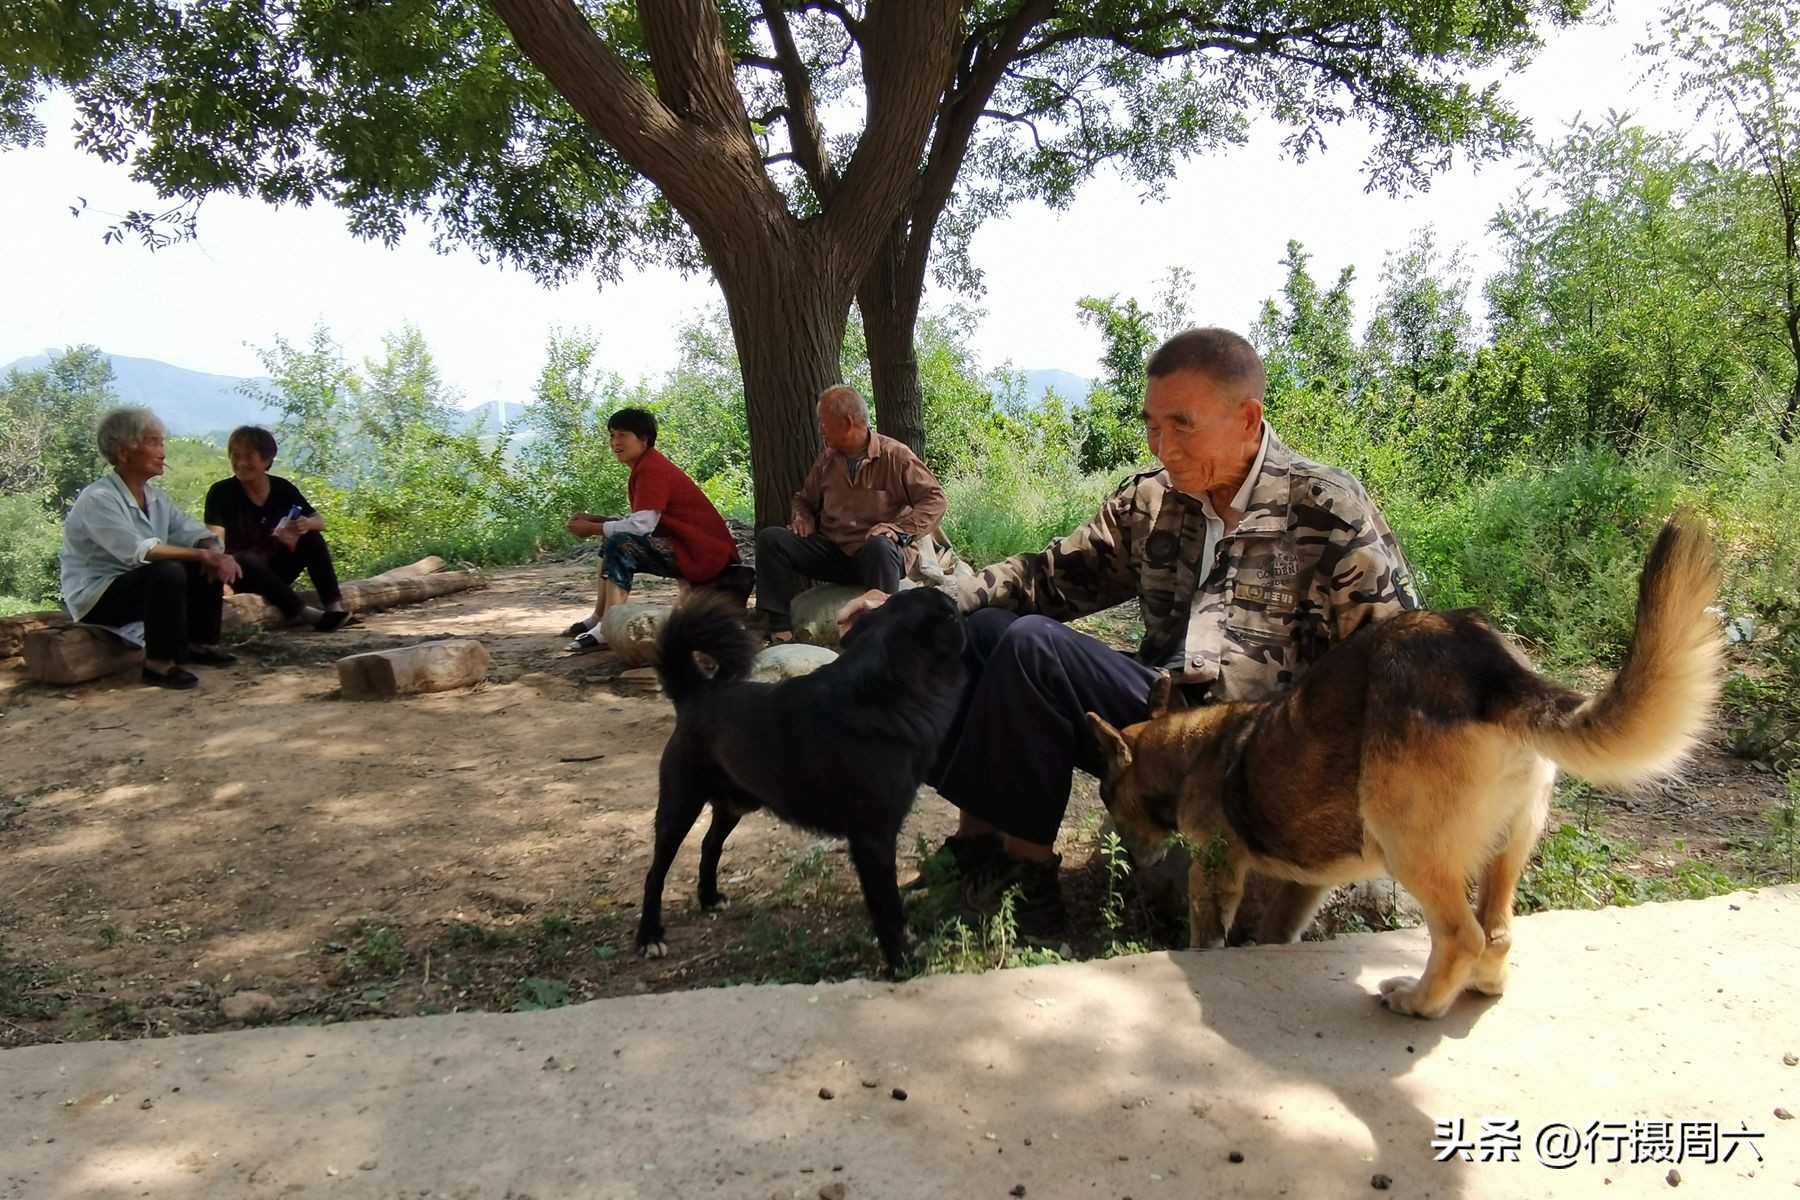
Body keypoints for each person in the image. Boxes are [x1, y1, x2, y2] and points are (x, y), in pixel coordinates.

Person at [837, 328, 1422, 931]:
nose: (1163, 446)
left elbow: (1396, 657)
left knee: (1032, 646)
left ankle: (1029, 882)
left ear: (1248, 419)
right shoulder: (1152, 500)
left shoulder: (1326, 510)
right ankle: (981, 846)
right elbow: (1048, 576)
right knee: (981, 629)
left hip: (1259, 751)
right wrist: (917, 606)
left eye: (1182, 425)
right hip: (1162, 725)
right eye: (1152, 425)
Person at [59, 406, 244, 690]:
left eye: (161, 442)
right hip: (97, 596)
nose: (163, 452)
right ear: (124, 452)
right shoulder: (99, 498)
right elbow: (140, 551)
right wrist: (205, 554)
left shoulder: (156, 498)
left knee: (203, 559)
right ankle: (158, 663)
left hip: (138, 584)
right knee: (168, 569)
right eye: (153, 442)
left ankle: (199, 643)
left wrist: (209, 549)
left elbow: (192, 533)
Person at [754, 384, 947, 642]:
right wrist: (803, 518)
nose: (820, 428)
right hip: (834, 554)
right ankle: (778, 628)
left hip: (877, 558)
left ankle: (880, 634)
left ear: (847, 422)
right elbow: (803, 500)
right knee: (772, 539)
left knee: (880, 545)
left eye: (823, 422)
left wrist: (900, 530)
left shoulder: (895, 457)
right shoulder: (827, 460)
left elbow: (935, 499)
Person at [562, 407, 742, 651]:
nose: (615, 442)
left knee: (620, 543)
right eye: (612, 435)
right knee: (612, 539)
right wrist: (597, 520)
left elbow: (640, 526)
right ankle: (599, 617)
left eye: (623, 435)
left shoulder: (651, 469)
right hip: (692, 547)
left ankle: (608, 626)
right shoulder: (646, 466)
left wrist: (593, 527)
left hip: (702, 553)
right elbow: (647, 520)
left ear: (644, 439)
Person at [203, 425, 351, 632]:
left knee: (312, 538)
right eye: (235, 455)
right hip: (241, 573)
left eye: (248, 456)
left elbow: (319, 521)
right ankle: (305, 613)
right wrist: (218, 570)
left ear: (266, 459)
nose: (241, 463)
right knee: (244, 558)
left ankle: (334, 607)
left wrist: (306, 524)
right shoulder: (221, 493)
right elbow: (214, 537)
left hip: (274, 569)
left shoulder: (282, 488)